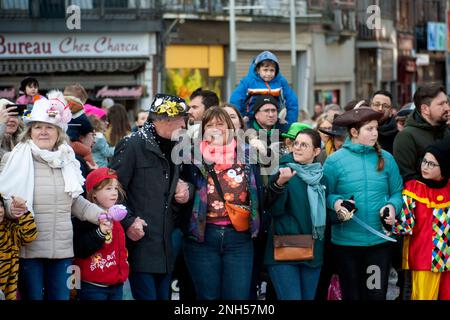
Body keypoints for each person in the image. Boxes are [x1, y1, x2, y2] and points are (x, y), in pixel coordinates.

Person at [0, 91, 106, 300]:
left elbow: (76, 202)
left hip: (63, 252)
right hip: (29, 252)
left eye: (49, 127)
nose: (43, 132)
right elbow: (3, 199)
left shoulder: (67, 160)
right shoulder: (13, 158)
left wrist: (101, 215)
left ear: (59, 133)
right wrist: (12, 208)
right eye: (38, 127)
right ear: (29, 132)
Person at [109, 93, 189, 300]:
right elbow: (112, 191)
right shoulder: (132, 144)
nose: (186, 124)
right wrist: (127, 222)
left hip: (167, 244)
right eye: (182, 119)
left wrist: (186, 189)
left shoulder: (179, 146)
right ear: (166, 119)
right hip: (141, 243)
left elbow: (191, 181)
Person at [323, 107, 403, 300]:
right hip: (346, 245)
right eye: (369, 129)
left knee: (375, 294)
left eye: (376, 128)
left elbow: (397, 192)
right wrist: (336, 202)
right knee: (352, 295)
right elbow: (324, 194)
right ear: (354, 132)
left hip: (378, 245)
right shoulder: (334, 161)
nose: (375, 133)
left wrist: (392, 206)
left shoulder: (387, 158)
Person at [181, 106, 261, 300]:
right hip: (202, 237)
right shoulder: (190, 157)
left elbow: (260, 192)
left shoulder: (248, 153)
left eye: (220, 124)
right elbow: (185, 188)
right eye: (210, 125)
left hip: (239, 238)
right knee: (208, 297)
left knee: (237, 298)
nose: (216, 128)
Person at [264, 129, 326, 300]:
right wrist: (279, 184)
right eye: (296, 143)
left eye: (304, 145)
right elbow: (274, 210)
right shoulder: (283, 171)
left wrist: (343, 209)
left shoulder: (321, 177)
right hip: (285, 250)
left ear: (316, 151)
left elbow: (326, 214)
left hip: (313, 251)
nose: (297, 148)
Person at [393, 137, 450, 300]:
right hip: (422, 259)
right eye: (424, 161)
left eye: (432, 164)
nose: (425, 167)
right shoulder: (413, 188)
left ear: (444, 166)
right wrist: (390, 222)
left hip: (447, 258)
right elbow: (404, 225)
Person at [73, 167, 129, 300]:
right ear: (94, 193)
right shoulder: (84, 219)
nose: (114, 193)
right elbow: (80, 249)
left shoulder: (117, 217)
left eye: (116, 188)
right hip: (93, 286)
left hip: (116, 284)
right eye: (108, 189)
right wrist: (100, 232)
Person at [230, 51, 298, 132]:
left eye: (272, 70)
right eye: (265, 70)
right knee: (252, 141)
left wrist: (289, 121)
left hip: (273, 120)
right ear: (258, 70)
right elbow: (235, 100)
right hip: (251, 121)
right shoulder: (248, 81)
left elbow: (292, 101)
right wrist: (241, 118)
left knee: (275, 142)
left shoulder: (281, 81)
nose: (269, 73)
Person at [393, 83, 450, 182]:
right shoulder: (406, 136)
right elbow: (407, 178)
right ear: (425, 109)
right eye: (441, 104)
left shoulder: (446, 130)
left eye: (447, 102)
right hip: (423, 196)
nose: (447, 108)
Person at [0, 193, 37, 300]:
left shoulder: (9, 229)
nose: (0, 210)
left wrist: (23, 211)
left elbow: (29, 236)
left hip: (7, 293)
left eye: (1, 206)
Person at [370, 90, 398, 154]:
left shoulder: (398, 135)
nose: (380, 109)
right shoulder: (360, 130)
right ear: (370, 107)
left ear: (391, 111)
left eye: (385, 106)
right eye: (377, 104)